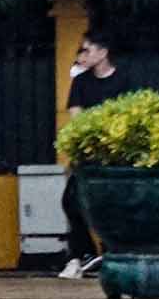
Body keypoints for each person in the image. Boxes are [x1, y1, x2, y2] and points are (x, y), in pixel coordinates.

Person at [57, 30, 134, 279]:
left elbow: (129, 118)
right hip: (88, 154)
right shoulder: (81, 82)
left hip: (116, 155)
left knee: (113, 207)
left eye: (88, 49)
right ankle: (85, 254)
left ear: (103, 53)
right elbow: (77, 117)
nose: (83, 54)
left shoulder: (124, 81)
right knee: (70, 201)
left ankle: (112, 253)